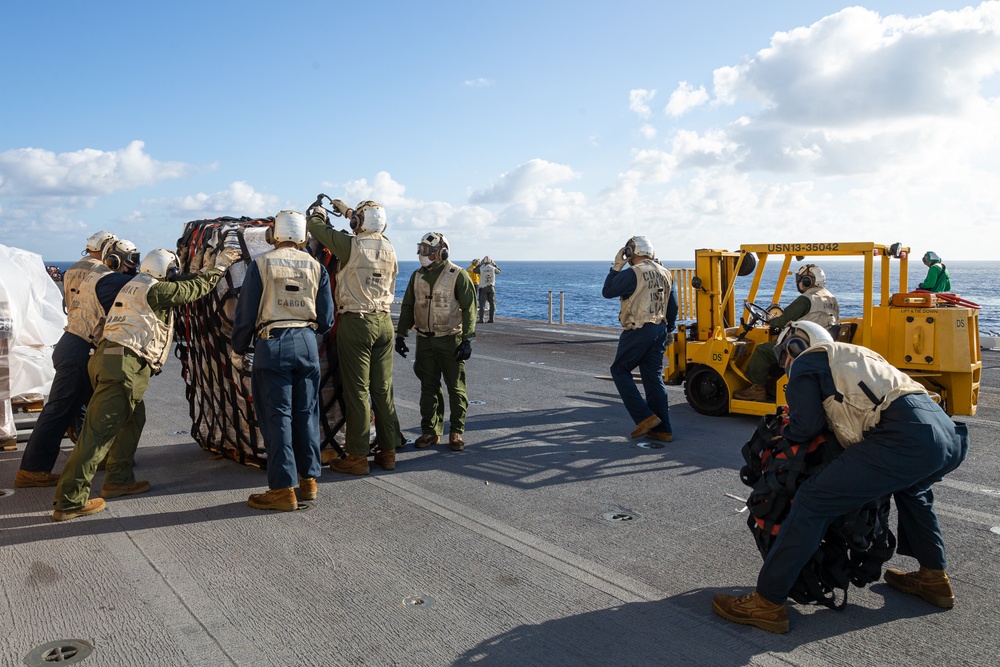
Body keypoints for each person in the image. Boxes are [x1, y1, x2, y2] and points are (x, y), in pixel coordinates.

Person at [713, 321, 968, 633]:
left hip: (904, 438)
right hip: (947, 436)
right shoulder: (860, 357)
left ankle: (767, 602)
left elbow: (805, 427)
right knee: (914, 493)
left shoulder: (807, 361)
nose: (784, 366)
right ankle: (933, 578)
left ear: (794, 346)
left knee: (812, 501)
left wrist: (784, 438)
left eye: (783, 357)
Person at [50, 246, 242, 521]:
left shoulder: (135, 284)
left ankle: (119, 479)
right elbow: (194, 289)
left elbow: (182, 284)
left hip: (106, 359)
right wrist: (219, 268)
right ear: (168, 272)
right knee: (97, 436)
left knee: (133, 419)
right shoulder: (157, 291)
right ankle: (69, 500)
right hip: (123, 368)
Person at [231, 211, 335, 511]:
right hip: (306, 344)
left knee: (278, 418)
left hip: (272, 344)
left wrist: (238, 349)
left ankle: (282, 490)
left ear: (274, 235)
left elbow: (246, 314)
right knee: (306, 413)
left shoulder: (261, 265)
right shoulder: (316, 267)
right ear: (303, 237)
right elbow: (326, 318)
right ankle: (309, 482)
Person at [15, 232, 134, 488]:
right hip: (82, 346)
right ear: (108, 251)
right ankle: (32, 469)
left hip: (71, 340)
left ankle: (91, 456)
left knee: (82, 404)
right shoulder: (104, 274)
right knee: (59, 410)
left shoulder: (74, 270)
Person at [307, 199, 401, 475]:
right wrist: (349, 211)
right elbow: (371, 228)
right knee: (382, 390)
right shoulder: (389, 247)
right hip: (384, 322)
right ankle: (389, 450)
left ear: (358, 223)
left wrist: (320, 212)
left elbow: (316, 227)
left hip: (357, 322)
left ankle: (357, 456)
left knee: (357, 391)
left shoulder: (351, 246)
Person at [395, 232, 477, 451]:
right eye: (421, 249)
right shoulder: (417, 276)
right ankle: (430, 431)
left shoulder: (458, 275)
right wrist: (401, 334)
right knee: (428, 388)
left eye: (426, 250)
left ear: (441, 252)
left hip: (450, 339)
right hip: (424, 340)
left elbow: (470, 308)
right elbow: (407, 305)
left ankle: (456, 432)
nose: (422, 253)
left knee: (456, 388)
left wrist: (467, 338)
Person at [602, 236, 677, 443]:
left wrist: (617, 266)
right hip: (660, 329)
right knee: (653, 377)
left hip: (639, 329)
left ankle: (644, 417)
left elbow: (607, 291)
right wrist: (669, 329)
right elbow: (673, 306)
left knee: (619, 370)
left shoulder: (633, 273)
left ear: (630, 252)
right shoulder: (666, 273)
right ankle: (663, 429)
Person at [734, 264, 839, 402]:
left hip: (803, 346)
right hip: (821, 344)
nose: (799, 282)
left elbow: (781, 321)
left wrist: (771, 320)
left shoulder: (807, 299)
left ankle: (757, 389)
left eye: (801, 279)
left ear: (808, 281)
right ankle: (772, 384)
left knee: (762, 351)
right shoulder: (830, 298)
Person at [474, 256, 501, 323]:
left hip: (483, 287)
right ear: (490, 262)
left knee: (482, 304)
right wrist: (494, 264)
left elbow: (474, 271)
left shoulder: (481, 268)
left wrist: (480, 264)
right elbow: (499, 271)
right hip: (491, 287)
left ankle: (481, 319)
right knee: (492, 304)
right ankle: (491, 318)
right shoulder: (493, 268)